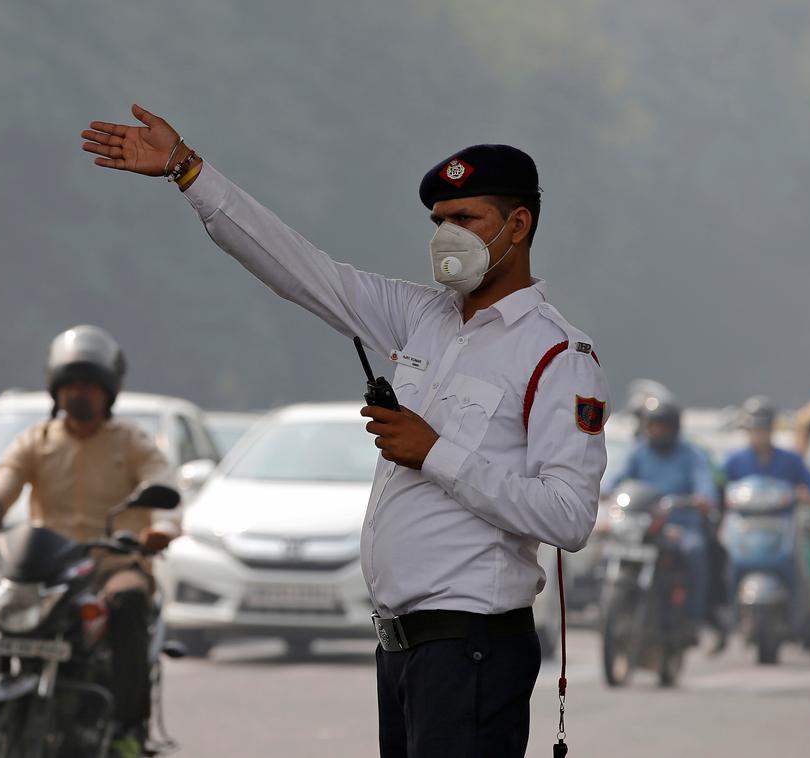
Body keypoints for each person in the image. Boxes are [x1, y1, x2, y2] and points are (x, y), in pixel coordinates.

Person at [82, 106, 609, 758]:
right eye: (438, 222)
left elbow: (569, 516)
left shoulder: (557, 355)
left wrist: (436, 452)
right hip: (401, 646)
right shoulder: (423, 318)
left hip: (473, 648)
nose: (446, 235)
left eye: (465, 219)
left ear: (519, 224)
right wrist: (190, 172)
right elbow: (303, 270)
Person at [0, 325, 177, 758]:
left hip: (112, 568)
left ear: (107, 392)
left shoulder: (131, 442)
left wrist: (161, 528)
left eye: (89, 386)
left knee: (128, 602)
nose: (80, 394)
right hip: (50, 572)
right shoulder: (35, 442)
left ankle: (129, 728)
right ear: (56, 389)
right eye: (71, 384)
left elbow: (162, 484)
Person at [604, 399, 717, 631]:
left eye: (662, 427)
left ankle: (692, 618)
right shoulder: (639, 452)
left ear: (674, 428)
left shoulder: (690, 455)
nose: (657, 431)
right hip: (643, 525)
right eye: (653, 426)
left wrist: (703, 499)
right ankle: (609, 608)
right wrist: (604, 490)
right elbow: (617, 478)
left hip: (679, 525)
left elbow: (704, 483)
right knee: (609, 549)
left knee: (694, 551)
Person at [723, 396, 810, 502]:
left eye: (764, 430)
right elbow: (718, 489)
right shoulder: (734, 461)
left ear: (771, 429)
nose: (760, 436)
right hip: (743, 515)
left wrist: (806, 495)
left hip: (782, 516)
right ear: (747, 430)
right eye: (755, 430)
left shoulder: (791, 460)